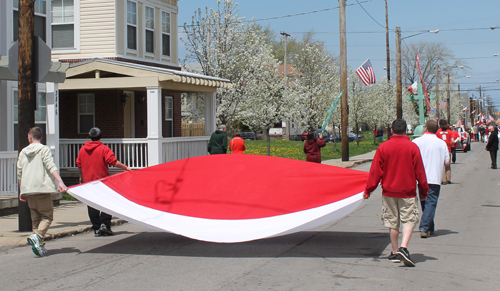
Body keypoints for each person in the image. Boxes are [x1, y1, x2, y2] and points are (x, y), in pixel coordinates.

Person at [364, 119, 428, 267]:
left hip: (389, 191)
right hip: (408, 191)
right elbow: (420, 172)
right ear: (406, 131)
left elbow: (375, 171)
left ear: (391, 131)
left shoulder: (383, 147)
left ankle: (394, 252)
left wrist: (369, 190)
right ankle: (403, 247)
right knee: (409, 219)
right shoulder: (412, 148)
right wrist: (424, 190)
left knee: (392, 222)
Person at [17, 127, 68, 257]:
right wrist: (60, 182)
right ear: (40, 137)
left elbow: (19, 172)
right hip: (42, 188)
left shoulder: (23, 152)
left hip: (28, 189)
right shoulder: (44, 149)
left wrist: (21, 190)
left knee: (36, 219)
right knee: (47, 216)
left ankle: (40, 245)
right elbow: (50, 166)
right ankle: (38, 236)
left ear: (29, 137)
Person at [76, 127, 131, 236]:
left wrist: (81, 177)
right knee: (107, 202)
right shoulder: (103, 149)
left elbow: (79, 164)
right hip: (102, 182)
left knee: (92, 205)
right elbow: (113, 161)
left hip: (88, 182)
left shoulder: (82, 149)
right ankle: (105, 225)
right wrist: (126, 167)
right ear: (101, 136)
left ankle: (96, 228)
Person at [413, 120, 450, 238]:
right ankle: (424, 227)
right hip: (435, 177)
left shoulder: (416, 142)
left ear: (425, 129)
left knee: (425, 202)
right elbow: (447, 162)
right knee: (431, 202)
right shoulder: (441, 143)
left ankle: (430, 226)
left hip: (420, 177)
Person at [436, 120, 452, 184]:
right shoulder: (449, 132)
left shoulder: (438, 132)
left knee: (441, 165)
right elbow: (453, 140)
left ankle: (443, 179)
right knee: (447, 165)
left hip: (440, 150)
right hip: (448, 149)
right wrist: (450, 145)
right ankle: (448, 179)